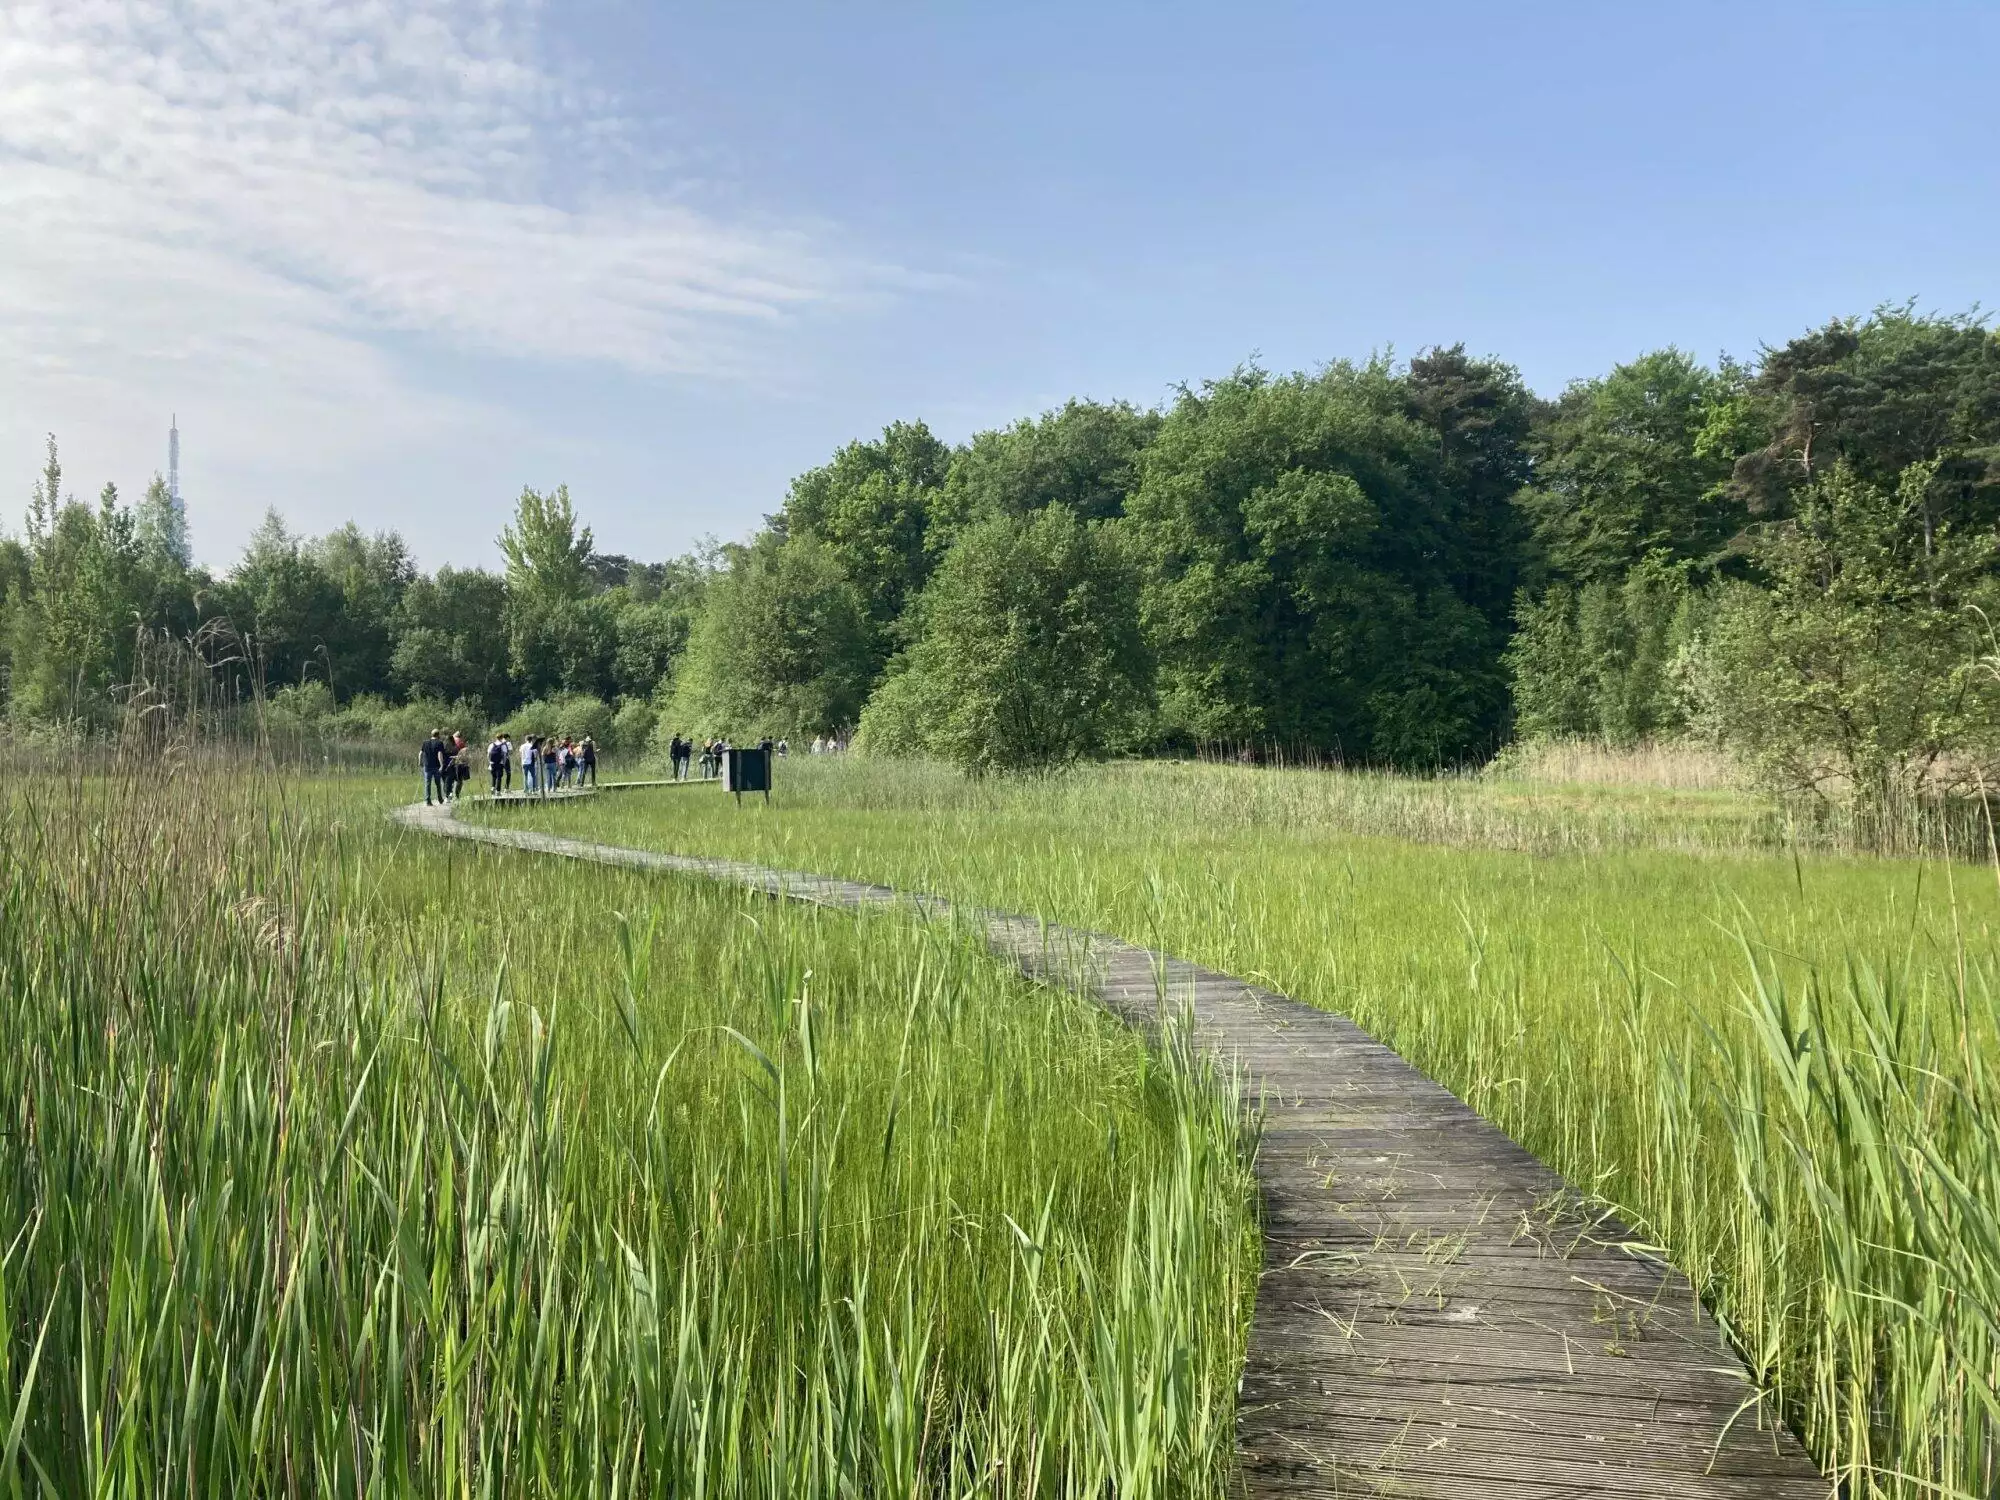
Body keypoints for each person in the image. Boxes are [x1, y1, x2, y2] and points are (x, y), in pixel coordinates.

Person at [420, 728, 447, 806]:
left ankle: (428, 801)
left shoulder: (425, 743)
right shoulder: (439, 743)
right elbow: (439, 754)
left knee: (427, 783)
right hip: (436, 767)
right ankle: (440, 799)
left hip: (427, 766)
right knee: (438, 783)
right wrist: (442, 765)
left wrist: (420, 762)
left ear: (431, 735)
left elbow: (420, 753)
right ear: (438, 735)